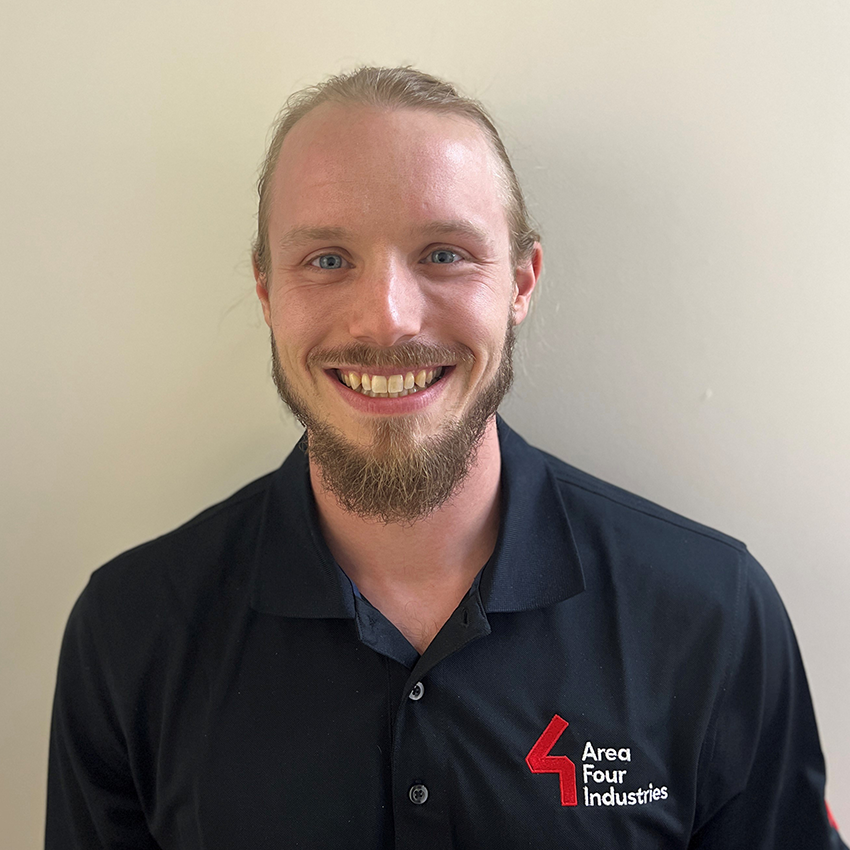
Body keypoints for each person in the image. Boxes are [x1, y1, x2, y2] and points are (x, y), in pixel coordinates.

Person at [46, 66, 845, 849]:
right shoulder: (131, 632)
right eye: (327, 259)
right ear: (266, 291)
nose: (387, 319)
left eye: (444, 254)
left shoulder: (709, 611)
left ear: (521, 282)